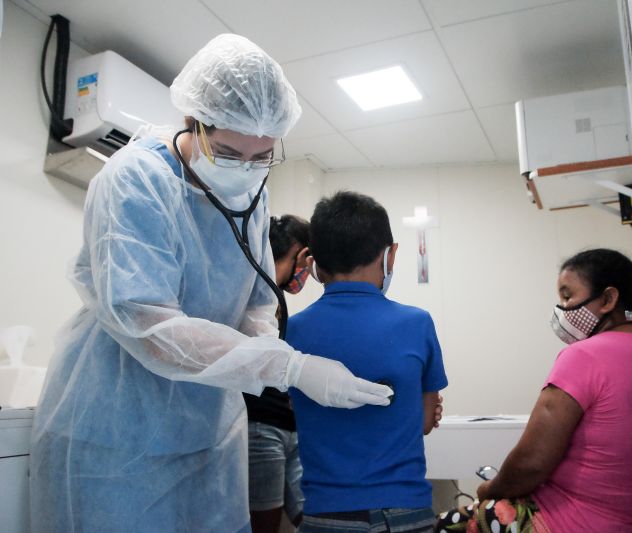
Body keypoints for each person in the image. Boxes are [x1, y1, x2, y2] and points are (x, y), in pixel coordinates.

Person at [29, 34, 390, 533]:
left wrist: (273, 358)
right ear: (191, 124)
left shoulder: (251, 193)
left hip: (206, 431)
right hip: (117, 433)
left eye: (261, 156)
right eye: (227, 152)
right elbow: (149, 324)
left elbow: (258, 300)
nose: (245, 171)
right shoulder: (136, 179)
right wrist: (288, 367)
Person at [436, 249, 632, 533]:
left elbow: (531, 463)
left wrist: (489, 489)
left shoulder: (584, 356)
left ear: (607, 299)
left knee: (441, 525)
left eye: (568, 297)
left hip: (567, 521)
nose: (562, 309)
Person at [287, 191, 449, 533]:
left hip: (325, 516)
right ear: (390, 256)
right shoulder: (416, 323)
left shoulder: (293, 331)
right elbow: (422, 421)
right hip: (405, 514)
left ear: (314, 262)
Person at [246, 214, 311, 533]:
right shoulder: (255, 290)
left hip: (287, 426)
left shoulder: (274, 296)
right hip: (260, 425)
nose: (308, 274)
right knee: (265, 522)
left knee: (308, 515)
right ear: (301, 254)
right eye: (309, 263)